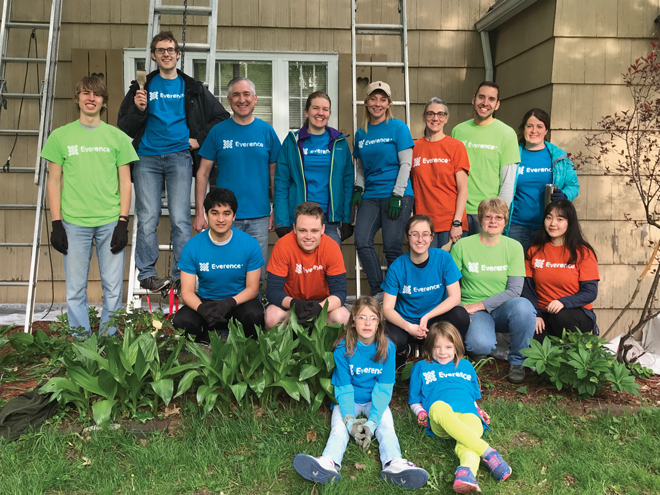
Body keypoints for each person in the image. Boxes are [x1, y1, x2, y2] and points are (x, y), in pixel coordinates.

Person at [118, 31, 230, 292]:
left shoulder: (192, 88)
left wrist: (199, 138)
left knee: (181, 219)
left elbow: (221, 116)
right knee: (147, 217)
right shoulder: (142, 87)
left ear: (178, 55)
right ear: (154, 55)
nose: (166, 54)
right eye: (161, 50)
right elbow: (124, 126)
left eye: (170, 49)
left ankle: (180, 275)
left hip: (180, 157)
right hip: (147, 157)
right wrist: (138, 109)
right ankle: (147, 274)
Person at [293, 296, 428, 489]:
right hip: (350, 399)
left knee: (386, 428)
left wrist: (372, 422)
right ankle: (328, 462)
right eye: (362, 317)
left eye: (373, 318)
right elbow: (344, 387)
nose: (367, 323)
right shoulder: (343, 347)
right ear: (353, 320)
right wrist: (349, 421)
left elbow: (383, 388)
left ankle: (394, 464)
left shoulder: (387, 348)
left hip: (375, 400)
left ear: (380, 322)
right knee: (338, 430)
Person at [43, 75, 138, 337]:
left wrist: (123, 221)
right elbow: (53, 182)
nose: (91, 98)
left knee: (113, 287)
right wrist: (56, 223)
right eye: (85, 93)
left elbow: (126, 183)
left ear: (104, 101)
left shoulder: (117, 138)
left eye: (96, 94)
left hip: (109, 221)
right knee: (74, 289)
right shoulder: (60, 136)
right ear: (77, 98)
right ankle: (82, 342)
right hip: (73, 222)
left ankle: (108, 339)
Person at [195, 77, 281, 289]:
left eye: (246, 95)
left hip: (259, 216)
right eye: (236, 95)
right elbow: (203, 173)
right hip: (224, 216)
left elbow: (275, 175)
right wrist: (200, 213)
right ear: (228, 100)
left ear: (255, 99)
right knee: (224, 270)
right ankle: (223, 317)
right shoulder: (218, 132)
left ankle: (251, 318)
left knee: (256, 274)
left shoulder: (266, 131)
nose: (241, 100)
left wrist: (275, 209)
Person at [409, 322, 511, 494]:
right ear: (429, 347)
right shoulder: (421, 367)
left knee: (466, 441)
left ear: (456, 347)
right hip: (440, 418)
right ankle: (488, 452)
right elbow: (414, 401)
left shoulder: (465, 366)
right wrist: (420, 412)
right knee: (438, 406)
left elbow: (471, 398)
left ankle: (466, 473)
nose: (442, 352)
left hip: (468, 413)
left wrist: (478, 410)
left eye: (448, 347)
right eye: (437, 347)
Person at [450, 198, 536, 384]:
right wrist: (462, 308)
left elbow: (514, 290)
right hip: (472, 308)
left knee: (524, 307)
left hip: (502, 307)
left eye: (499, 217)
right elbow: (451, 283)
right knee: (480, 345)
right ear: (480, 219)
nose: (493, 221)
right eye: (488, 216)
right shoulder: (462, 246)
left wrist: (480, 305)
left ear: (506, 221)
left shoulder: (513, 247)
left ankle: (517, 361)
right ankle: (477, 347)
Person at [172, 189, 264, 342]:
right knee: (182, 321)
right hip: (206, 303)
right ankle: (206, 345)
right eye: (215, 213)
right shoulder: (192, 246)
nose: (221, 219)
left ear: (234, 216)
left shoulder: (250, 244)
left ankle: (245, 348)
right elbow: (187, 291)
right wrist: (202, 309)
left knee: (255, 314)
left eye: (226, 213)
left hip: (236, 302)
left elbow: (253, 288)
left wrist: (228, 303)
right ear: (206, 215)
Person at [382, 215, 470, 369]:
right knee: (391, 337)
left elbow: (455, 297)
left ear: (431, 237)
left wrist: (427, 316)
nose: (420, 239)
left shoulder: (443, 258)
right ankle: (403, 352)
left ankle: (450, 356)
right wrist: (409, 327)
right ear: (407, 237)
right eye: (414, 234)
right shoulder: (397, 267)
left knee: (460, 314)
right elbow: (387, 308)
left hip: (435, 321)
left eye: (425, 234)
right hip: (406, 323)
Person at [352, 81, 415, 297]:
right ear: (366, 102)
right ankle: (379, 290)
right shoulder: (361, 133)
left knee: (392, 246)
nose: (377, 103)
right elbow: (359, 166)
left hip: (396, 194)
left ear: (388, 103)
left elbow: (406, 163)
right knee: (361, 240)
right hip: (371, 195)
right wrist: (358, 188)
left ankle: (397, 293)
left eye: (383, 99)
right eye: (373, 98)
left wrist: (397, 194)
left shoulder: (398, 127)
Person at [274, 91, 353, 246]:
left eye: (325, 109)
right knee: (299, 268)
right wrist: (281, 221)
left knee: (330, 268)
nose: (320, 113)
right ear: (306, 112)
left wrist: (347, 219)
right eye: (315, 108)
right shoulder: (292, 142)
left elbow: (347, 182)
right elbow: (281, 182)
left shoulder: (340, 143)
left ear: (329, 113)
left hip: (330, 219)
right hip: (299, 219)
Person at [522, 200, 599, 340]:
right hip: (542, 313)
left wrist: (564, 302)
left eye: (560, 219)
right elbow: (527, 288)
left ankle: (571, 357)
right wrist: (535, 314)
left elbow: (590, 292)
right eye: (549, 217)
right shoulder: (534, 250)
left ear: (570, 222)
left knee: (561, 317)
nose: (553, 223)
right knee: (531, 332)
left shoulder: (583, 252)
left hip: (575, 313)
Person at [265, 202, 350, 328]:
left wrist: (319, 308)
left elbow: (340, 293)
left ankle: (330, 347)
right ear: (294, 228)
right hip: (292, 304)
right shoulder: (282, 246)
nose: (308, 237)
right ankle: (282, 347)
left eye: (314, 231)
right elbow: (272, 291)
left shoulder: (331, 247)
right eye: (303, 230)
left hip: (321, 305)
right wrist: (294, 304)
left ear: (323, 229)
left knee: (342, 316)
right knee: (272, 315)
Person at [451, 81, 520, 235]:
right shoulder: (458, 131)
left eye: (491, 99)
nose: (485, 103)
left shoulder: (507, 134)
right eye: (481, 97)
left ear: (497, 105)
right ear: (473, 99)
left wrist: (497, 215)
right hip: (457, 211)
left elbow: (508, 181)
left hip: (486, 214)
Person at [507, 108, 580, 252]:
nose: (534, 130)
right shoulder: (512, 155)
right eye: (530, 126)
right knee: (516, 271)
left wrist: (565, 195)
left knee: (542, 270)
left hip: (548, 227)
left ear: (546, 130)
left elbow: (573, 185)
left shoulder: (559, 157)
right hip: (516, 226)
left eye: (539, 126)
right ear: (524, 129)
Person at [411, 98, 469, 248]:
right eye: (430, 114)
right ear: (424, 117)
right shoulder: (414, 147)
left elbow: (463, 189)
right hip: (423, 224)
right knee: (425, 270)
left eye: (440, 114)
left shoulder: (456, 146)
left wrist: (457, 222)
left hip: (450, 223)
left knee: (449, 270)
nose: (435, 118)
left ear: (446, 118)